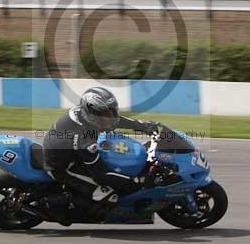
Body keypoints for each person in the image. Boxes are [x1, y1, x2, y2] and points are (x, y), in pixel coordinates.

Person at [41, 87, 161, 218]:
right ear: (92, 115)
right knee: (110, 196)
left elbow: (115, 120)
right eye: (106, 115)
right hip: (62, 167)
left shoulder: (84, 114)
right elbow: (101, 175)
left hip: (68, 151)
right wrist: (136, 181)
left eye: (112, 112)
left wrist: (142, 126)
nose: (111, 118)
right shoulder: (85, 140)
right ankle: (68, 210)